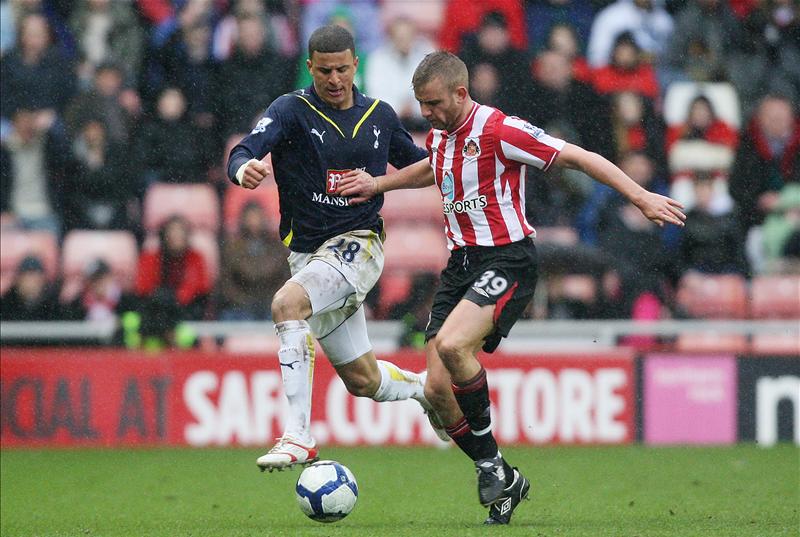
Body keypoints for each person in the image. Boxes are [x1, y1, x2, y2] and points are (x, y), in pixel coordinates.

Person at [336, 51, 685, 525]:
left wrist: (640, 197)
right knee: (437, 389)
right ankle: (498, 470)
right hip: (459, 266)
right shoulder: (441, 136)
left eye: (434, 104)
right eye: (422, 105)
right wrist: (380, 185)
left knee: (456, 346)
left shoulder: (501, 130)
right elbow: (433, 169)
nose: (428, 114)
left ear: (461, 93)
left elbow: (578, 157)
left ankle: (488, 464)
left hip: (507, 258)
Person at [226, 25, 444, 473]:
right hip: (308, 257)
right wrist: (242, 167)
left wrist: (382, 183)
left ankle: (299, 435)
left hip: (357, 247)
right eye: (324, 70)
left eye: (342, 69)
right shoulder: (290, 110)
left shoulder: (379, 116)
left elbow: (426, 168)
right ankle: (427, 390)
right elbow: (247, 147)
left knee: (287, 304)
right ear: (310, 67)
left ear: (355, 66)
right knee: (363, 381)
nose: (334, 79)